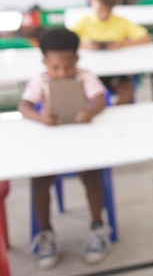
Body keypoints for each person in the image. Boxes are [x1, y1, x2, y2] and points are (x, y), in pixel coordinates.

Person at [18, 28, 110, 270]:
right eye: (55, 67)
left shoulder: (84, 75)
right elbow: (24, 106)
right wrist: (41, 118)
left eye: (67, 67)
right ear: (45, 62)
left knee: (91, 175)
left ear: (76, 60)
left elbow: (100, 98)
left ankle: (97, 227)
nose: (62, 73)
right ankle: (46, 234)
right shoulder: (41, 79)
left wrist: (91, 111)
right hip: (51, 143)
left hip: (81, 139)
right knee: (39, 181)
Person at [71, 0, 152, 104]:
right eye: (100, 9)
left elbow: (146, 38)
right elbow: (65, 42)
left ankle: (117, 116)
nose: (103, 14)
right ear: (93, 2)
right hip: (91, 72)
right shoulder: (84, 22)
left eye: (107, 10)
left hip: (116, 71)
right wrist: (84, 45)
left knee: (127, 90)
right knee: (94, 95)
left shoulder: (121, 22)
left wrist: (123, 44)